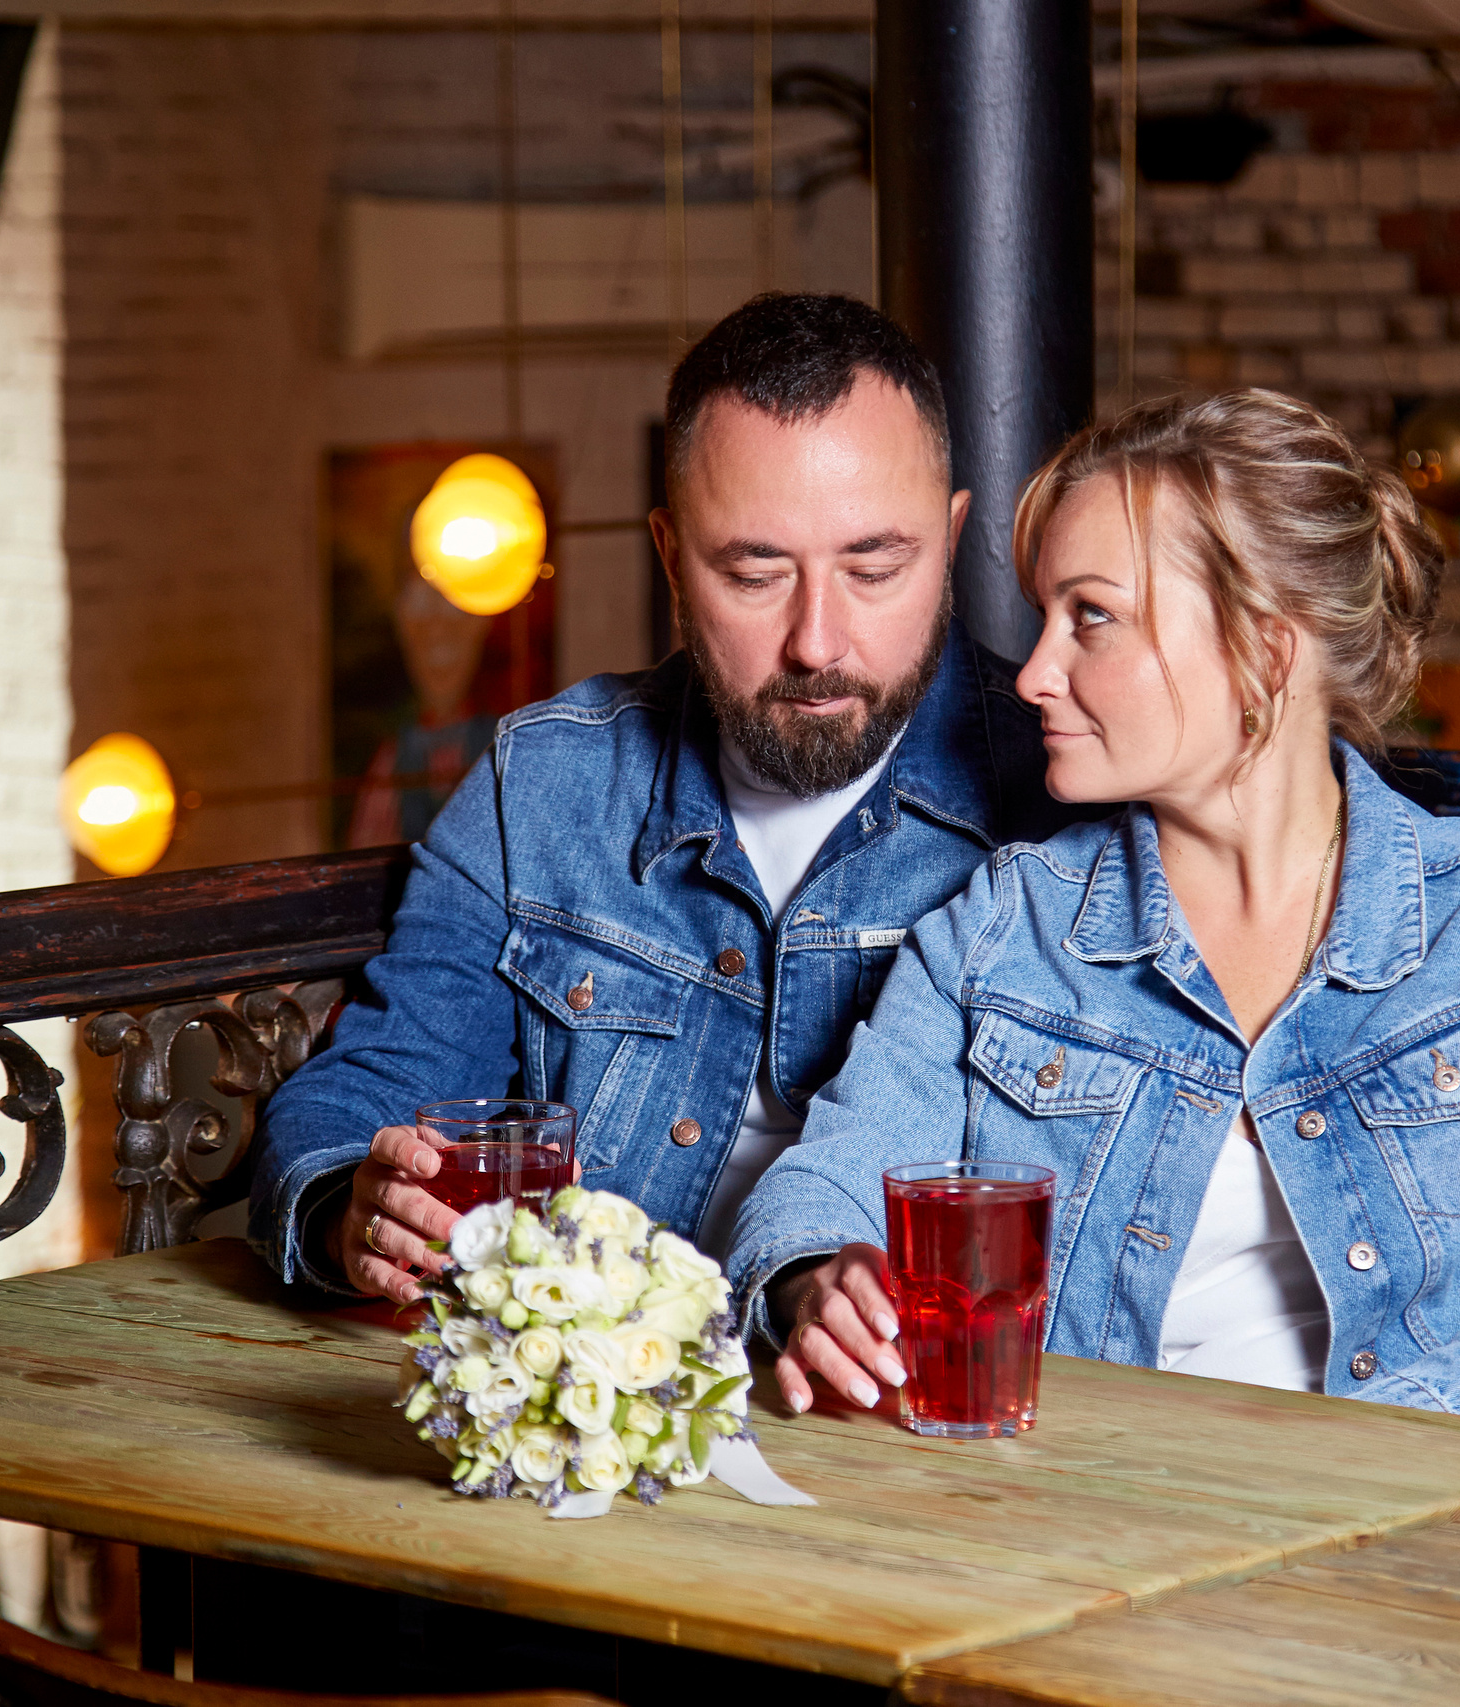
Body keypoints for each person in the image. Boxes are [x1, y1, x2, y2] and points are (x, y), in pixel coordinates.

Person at [731, 389, 1460, 1445]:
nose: (1034, 672)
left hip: (1451, 1529)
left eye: (1090, 617)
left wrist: (1342, 1464)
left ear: (1264, 651)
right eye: (1043, 617)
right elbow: (825, 1181)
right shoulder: (1005, 927)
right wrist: (813, 1280)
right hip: (1120, 1533)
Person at [248, 292, 1083, 1307]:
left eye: (874, 567)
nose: (817, 641)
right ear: (669, 558)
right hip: (593, 1412)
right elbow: (374, 1081)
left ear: (950, 540)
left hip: (902, 1420)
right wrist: (357, 1204)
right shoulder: (546, 783)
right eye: (753, 573)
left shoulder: (1062, 794)